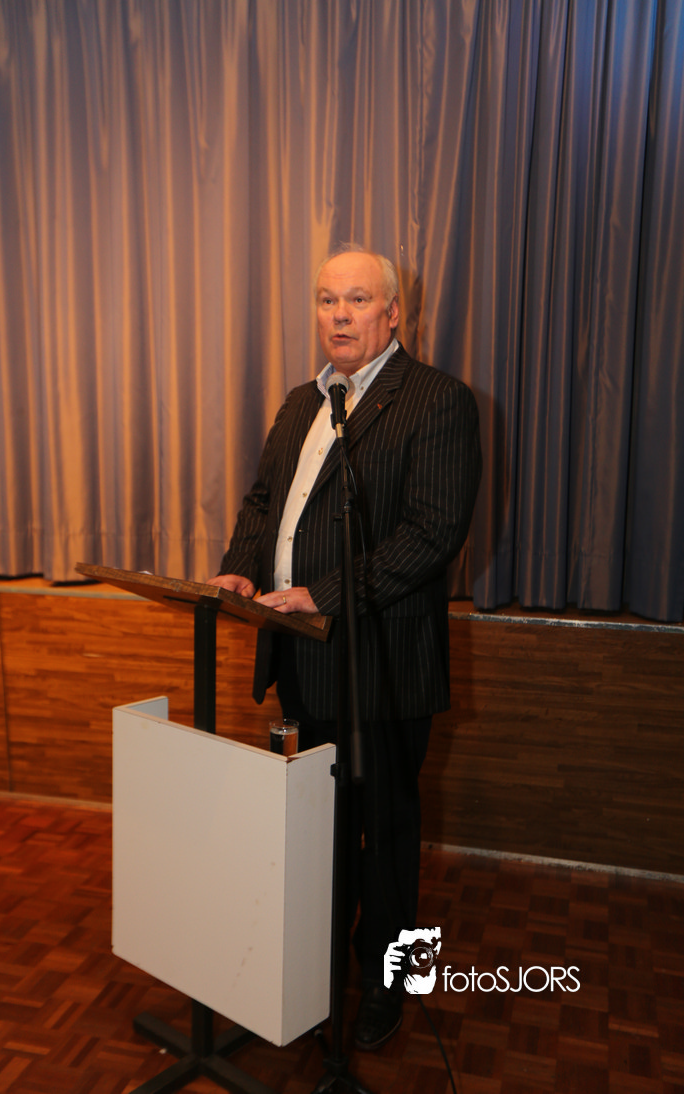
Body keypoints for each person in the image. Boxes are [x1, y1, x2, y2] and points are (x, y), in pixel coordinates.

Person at [208, 244, 482, 1051]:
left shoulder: (437, 399)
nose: (338, 315)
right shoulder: (304, 400)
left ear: (393, 313)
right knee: (315, 830)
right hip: (301, 656)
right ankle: (317, 969)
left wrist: (322, 594)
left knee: (385, 836)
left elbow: (431, 533)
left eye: (357, 300)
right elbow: (265, 502)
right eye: (327, 299)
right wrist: (240, 566)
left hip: (384, 664)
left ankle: (388, 986)